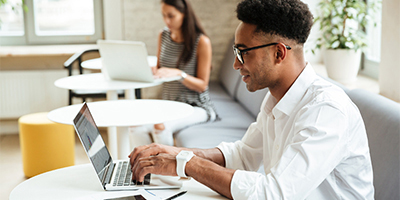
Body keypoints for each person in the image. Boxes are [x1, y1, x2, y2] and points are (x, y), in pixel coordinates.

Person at [129, 0, 375, 199]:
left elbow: (273, 193)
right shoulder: (275, 99)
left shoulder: (326, 111)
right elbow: (244, 155)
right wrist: (172, 154)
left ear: (278, 53)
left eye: (242, 52)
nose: (236, 64)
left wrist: (188, 163)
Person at [131, 0, 218, 146]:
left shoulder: (202, 42)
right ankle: (145, 168)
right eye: (164, 15)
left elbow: (202, 85)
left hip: (196, 106)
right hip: (170, 104)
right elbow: (160, 68)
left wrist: (179, 74)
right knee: (135, 126)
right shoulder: (163, 35)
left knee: (160, 126)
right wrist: (152, 70)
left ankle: (166, 168)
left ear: (184, 14)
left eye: (171, 16)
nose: (166, 21)